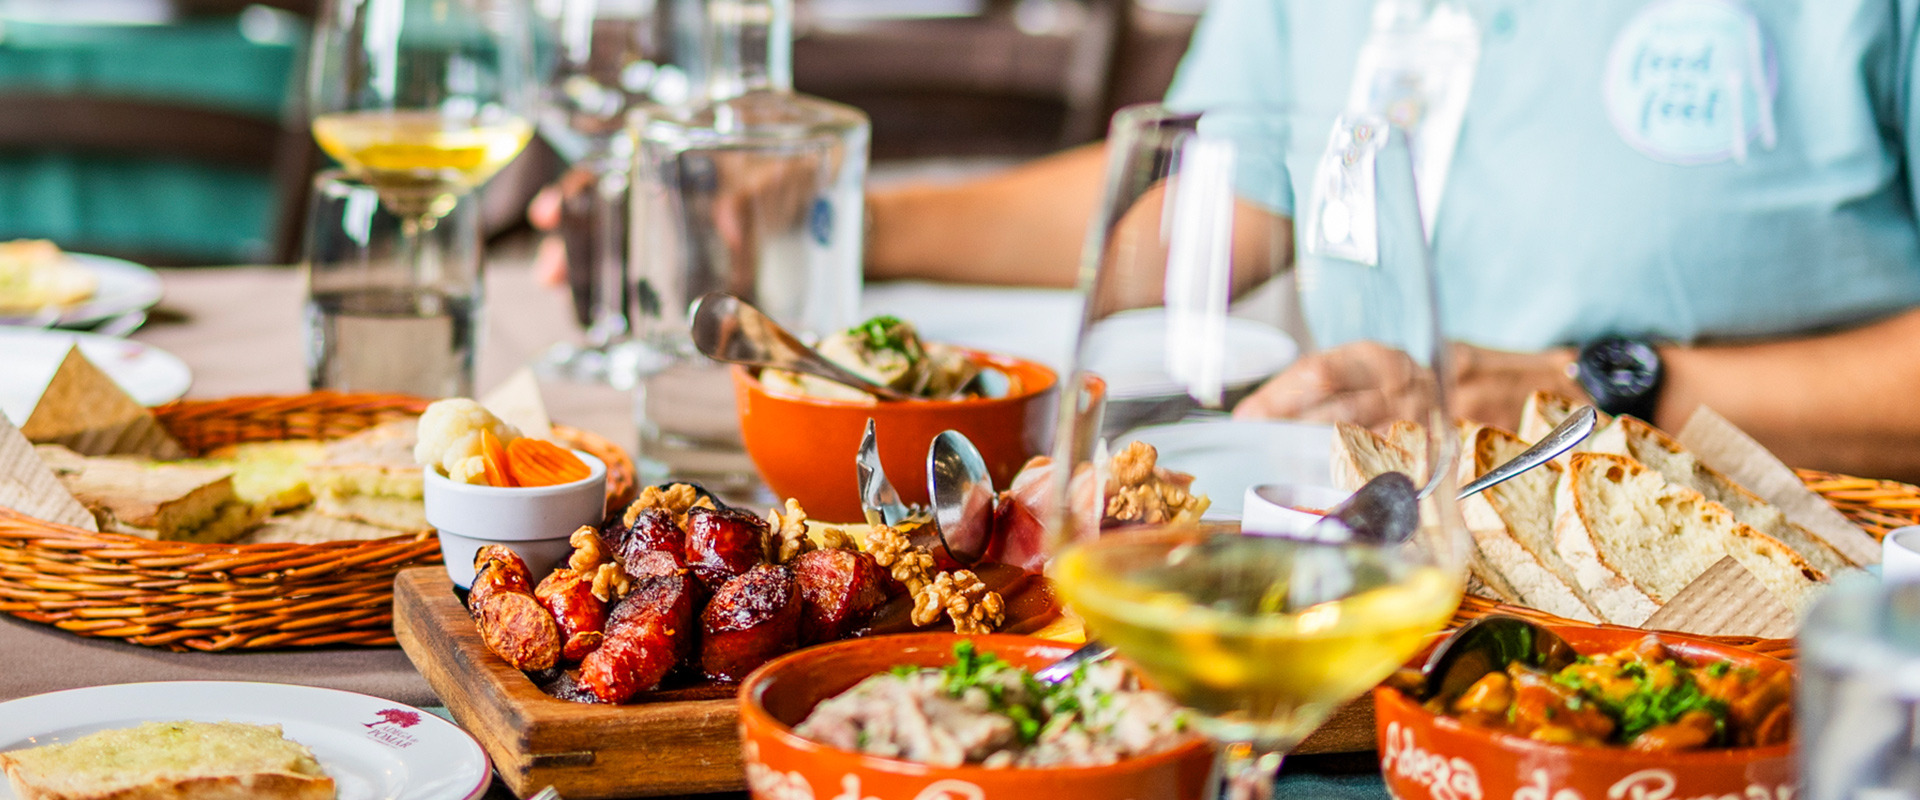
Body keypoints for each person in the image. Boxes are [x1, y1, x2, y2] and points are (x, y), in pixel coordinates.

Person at [539, 0, 1920, 481]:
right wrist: (818, 218)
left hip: (1788, 603)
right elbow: (1204, 218)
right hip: (1390, 567)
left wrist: (1604, 390)